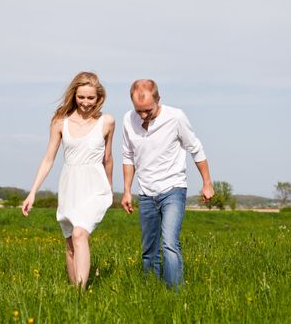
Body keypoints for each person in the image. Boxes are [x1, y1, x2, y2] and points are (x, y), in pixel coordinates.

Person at [22, 71, 115, 289]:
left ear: (99, 97)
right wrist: (32, 192)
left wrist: (109, 189)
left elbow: (108, 158)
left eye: (90, 98)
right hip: (70, 186)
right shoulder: (60, 122)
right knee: (71, 243)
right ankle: (75, 296)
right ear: (74, 95)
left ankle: (81, 294)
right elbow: (48, 159)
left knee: (80, 233)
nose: (85, 103)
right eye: (81, 97)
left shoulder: (107, 122)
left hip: (95, 186)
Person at [121, 79, 214, 288]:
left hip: (173, 189)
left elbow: (196, 149)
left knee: (170, 243)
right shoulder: (128, 120)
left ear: (158, 100)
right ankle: (151, 290)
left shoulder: (176, 117)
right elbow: (128, 156)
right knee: (148, 249)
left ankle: (174, 293)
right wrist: (127, 190)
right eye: (139, 111)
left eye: (147, 110)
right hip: (145, 192)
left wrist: (207, 182)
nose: (143, 116)